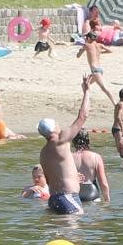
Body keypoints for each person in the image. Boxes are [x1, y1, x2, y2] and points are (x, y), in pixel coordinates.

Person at [38, 79, 95, 215]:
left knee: (59, 231)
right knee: (74, 232)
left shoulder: (44, 152)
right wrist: (87, 91)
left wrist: (73, 176)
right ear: (53, 130)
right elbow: (83, 116)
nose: (59, 125)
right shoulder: (61, 140)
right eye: (57, 124)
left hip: (54, 198)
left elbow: (51, 177)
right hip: (67, 196)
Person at [72, 131, 111, 202]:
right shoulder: (96, 157)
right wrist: (107, 200)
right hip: (92, 193)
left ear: (73, 141)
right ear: (87, 141)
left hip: (75, 194)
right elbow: (103, 182)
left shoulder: (69, 158)